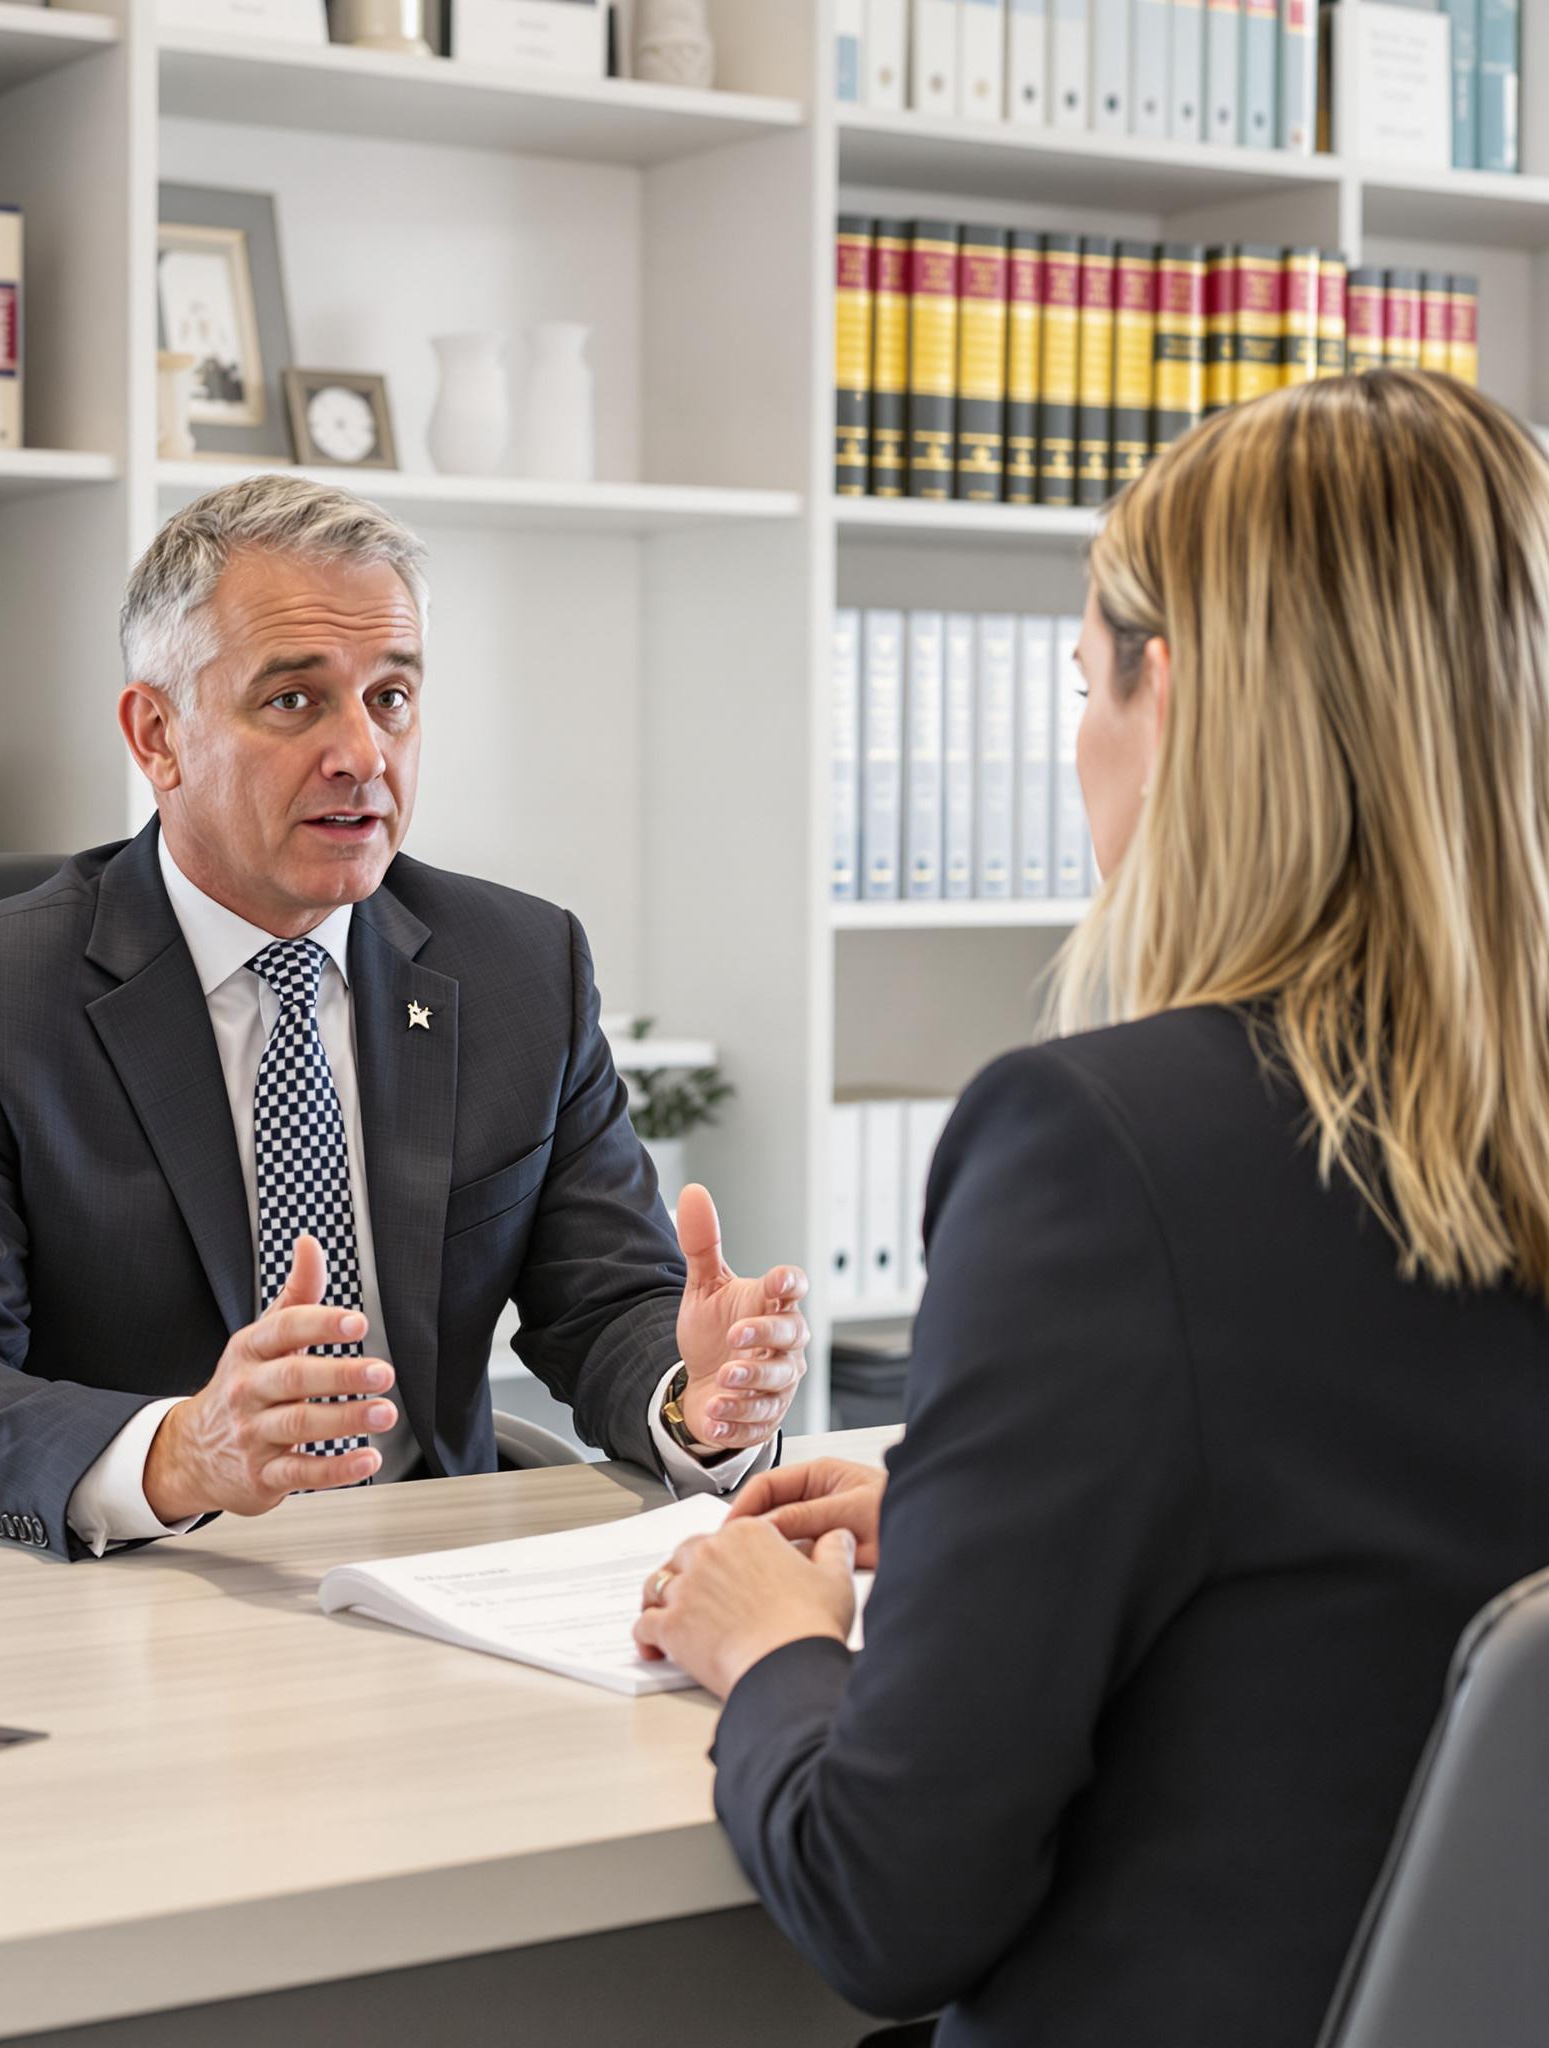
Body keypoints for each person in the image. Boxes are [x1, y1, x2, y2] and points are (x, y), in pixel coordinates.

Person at [634, 371, 1549, 2046]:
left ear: (1171, 694)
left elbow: (882, 1894)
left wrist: (769, 1646)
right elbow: (1382, 1544)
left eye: (1080, 681)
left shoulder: (1106, 1150)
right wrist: (983, 1510)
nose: (1075, 743)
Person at [0, 474, 809, 1557]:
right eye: (293, 700)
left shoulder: (518, 966)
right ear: (156, 734)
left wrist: (698, 1394)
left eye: (391, 699)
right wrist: (181, 1451)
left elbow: (606, 1305)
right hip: (137, 1583)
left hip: (436, 1581)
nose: (362, 753)